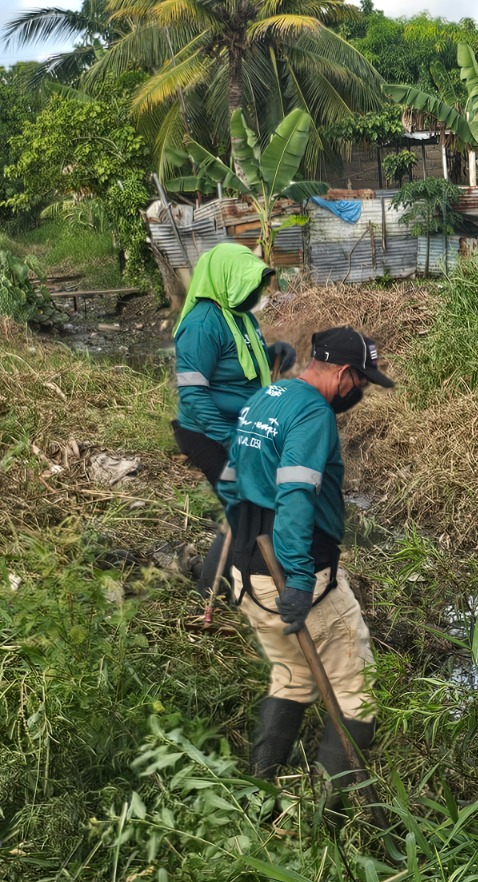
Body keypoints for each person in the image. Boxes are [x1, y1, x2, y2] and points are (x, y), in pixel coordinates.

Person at [219, 327, 391, 813]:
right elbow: (295, 493)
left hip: (249, 571)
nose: (361, 392)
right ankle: (327, 820)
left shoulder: (267, 397)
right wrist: (297, 580)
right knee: (356, 692)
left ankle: (261, 796)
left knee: (293, 676)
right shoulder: (315, 414)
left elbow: (232, 476)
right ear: (343, 375)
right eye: (362, 382)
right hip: (297, 579)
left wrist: (229, 546)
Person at [172, 243, 294, 592]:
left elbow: (241, 360)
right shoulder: (201, 325)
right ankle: (212, 590)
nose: (253, 295)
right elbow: (193, 394)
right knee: (246, 511)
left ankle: (227, 581)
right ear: (224, 281)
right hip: (207, 434)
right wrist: (230, 438)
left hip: (240, 428)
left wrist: (274, 352)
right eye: (246, 285)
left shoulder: (239, 316)